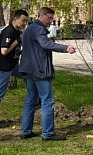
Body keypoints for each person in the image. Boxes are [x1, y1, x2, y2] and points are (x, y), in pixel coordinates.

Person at [18, 7, 77, 141]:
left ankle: (25, 131)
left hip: (28, 69)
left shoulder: (29, 29)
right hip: (39, 70)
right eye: (49, 18)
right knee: (47, 101)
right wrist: (65, 48)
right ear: (41, 15)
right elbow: (46, 44)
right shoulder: (39, 29)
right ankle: (48, 133)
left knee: (31, 100)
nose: (51, 21)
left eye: (52, 18)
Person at [0, 9, 29, 128]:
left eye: (26, 21)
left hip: (12, 66)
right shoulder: (9, 32)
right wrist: (16, 43)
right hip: (3, 67)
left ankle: (35, 100)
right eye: (23, 21)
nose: (24, 23)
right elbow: (4, 51)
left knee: (28, 74)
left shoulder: (16, 31)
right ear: (15, 19)